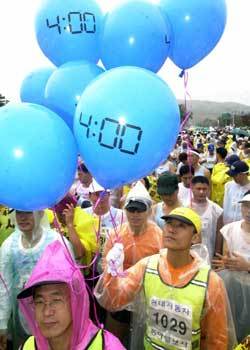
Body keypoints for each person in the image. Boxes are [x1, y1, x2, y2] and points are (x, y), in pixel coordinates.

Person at [95, 207, 236, 350]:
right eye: (169, 223)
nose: (172, 230)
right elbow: (115, 300)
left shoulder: (210, 282)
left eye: (181, 226)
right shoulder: (147, 266)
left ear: (195, 237)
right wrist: (112, 272)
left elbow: (217, 339)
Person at [17, 240, 125, 350]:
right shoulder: (28, 347)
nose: (47, 312)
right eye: (40, 302)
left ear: (76, 303)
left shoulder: (107, 346)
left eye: (56, 300)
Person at [0, 210, 73, 350]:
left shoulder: (56, 243)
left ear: (40, 213)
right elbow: (4, 288)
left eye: (28, 213)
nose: (22, 217)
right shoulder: (9, 246)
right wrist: (2, 324)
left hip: (54, 315)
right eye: (19, 213)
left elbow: (72, 286)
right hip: (21, 320)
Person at [103, 181, 163, 346]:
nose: (135, 214)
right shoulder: (116, 233)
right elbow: (105, 266)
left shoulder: (158, 236)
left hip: (146, 299)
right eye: (131, 209)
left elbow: (163, 269)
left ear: (148, 211)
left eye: (140, 210)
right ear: (125, 210)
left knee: (141, 341)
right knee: (114, 340)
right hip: (120, 297)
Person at [213, 191, 250, 342]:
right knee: (233, 323)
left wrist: (247, 266)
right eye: (246, 206)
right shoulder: (230, 229)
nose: (249, 211)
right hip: (233, 288)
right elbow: (226, 259)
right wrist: (227, 263)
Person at [189, 176, 223, 260]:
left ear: (209, 190)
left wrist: (216, 254)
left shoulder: (217, 210)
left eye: (204, 189)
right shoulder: (184, 207)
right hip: (188, 252)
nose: (201, 192)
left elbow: (219, 233)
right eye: (198, 188)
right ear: (192, 188)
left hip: (209, 252)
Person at [223, 161, 250, 225]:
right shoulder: (228, 185)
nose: (233, 178)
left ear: (242, 174)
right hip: (228, 225)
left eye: (234, 175)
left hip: (244, 226)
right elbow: (226, 205)